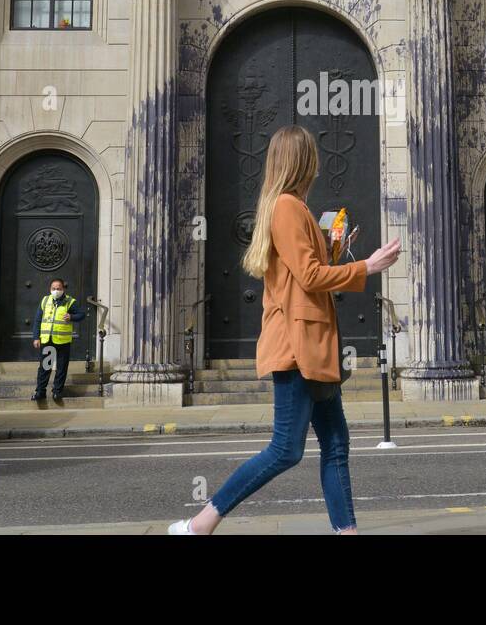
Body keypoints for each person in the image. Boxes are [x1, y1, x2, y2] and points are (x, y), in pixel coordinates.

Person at [169, 125, 401, 535]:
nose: (316, 164)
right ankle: (201, 523)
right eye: (311, 156)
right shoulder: (288, 208)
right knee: (285, 450)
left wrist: (333, 246)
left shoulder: (289, 207)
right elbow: (311, 277)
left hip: (313, 348)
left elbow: (303, 271)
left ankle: (346, 532)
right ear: (302, 161)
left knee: (335, 447)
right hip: (298, 348)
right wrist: (368, 266)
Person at [31, 278, 85, 403]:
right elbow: (38, 320)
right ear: (50, 289)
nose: (56, 291)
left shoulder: (69, 302)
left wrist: (72, 316)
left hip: (62, 341)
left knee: (61, 367)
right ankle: (40, 391)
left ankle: (57, 391)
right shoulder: (45, 300)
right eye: (53, 288)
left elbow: (81, 314)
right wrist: (36, 337)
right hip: (47, 340)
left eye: (59, 288)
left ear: (63, 289)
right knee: (45, 367)